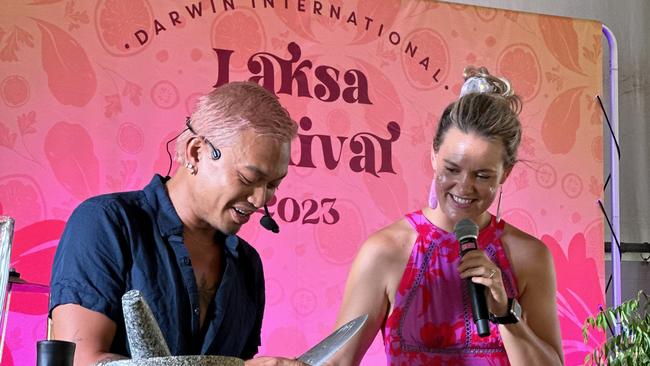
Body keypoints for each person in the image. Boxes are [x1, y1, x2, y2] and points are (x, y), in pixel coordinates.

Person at [49, 82, 306, 366]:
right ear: (196, 152)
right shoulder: (105, 223)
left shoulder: (247, 264)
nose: (260, 199)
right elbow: (81, 361)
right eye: (248, 178)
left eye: (272, 185)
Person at [328, 67, 564, 365]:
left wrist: (505, 314)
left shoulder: (529, 255)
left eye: (482, 175)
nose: (464, 187)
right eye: (452, 169)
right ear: (433, 156)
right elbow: (337, 361)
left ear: (507, 173)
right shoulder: (385, 251)